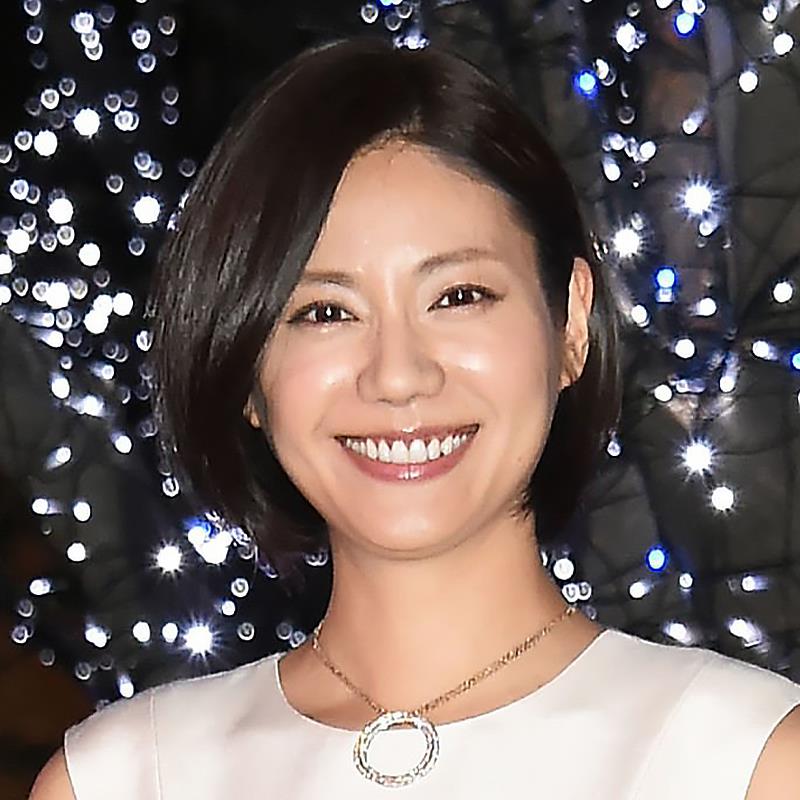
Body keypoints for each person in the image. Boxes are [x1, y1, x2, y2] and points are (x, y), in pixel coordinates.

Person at [31, 36, 800, 800]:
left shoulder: (746, 759)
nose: (398, 376)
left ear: (569, 323)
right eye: (325, 311)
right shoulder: (118, 778)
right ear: (247, 370)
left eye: (459, 297)